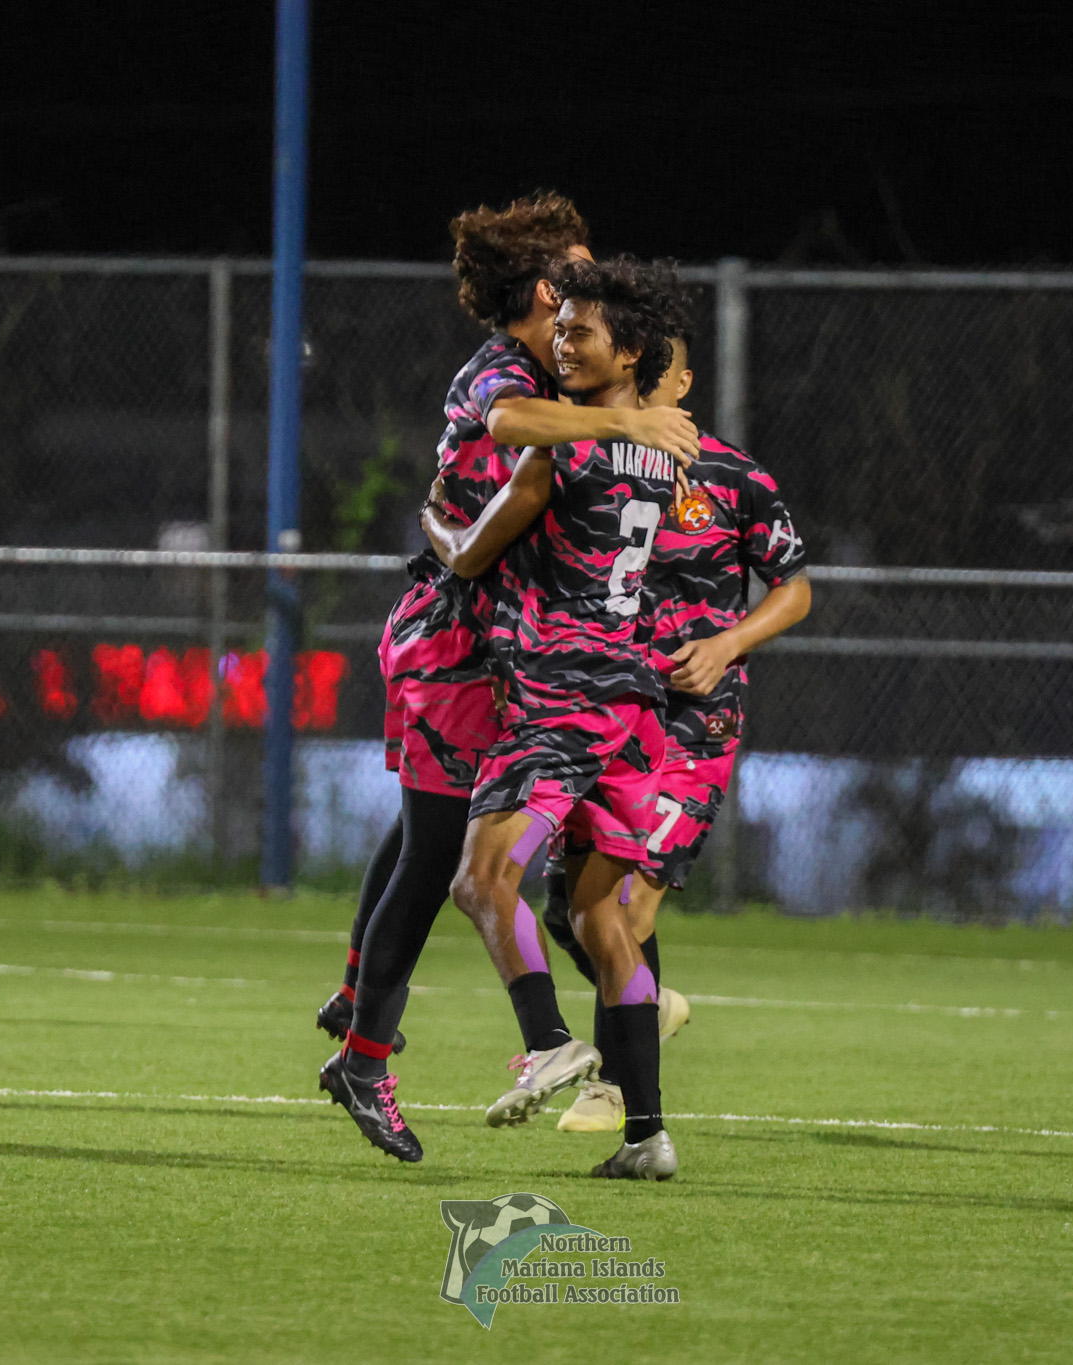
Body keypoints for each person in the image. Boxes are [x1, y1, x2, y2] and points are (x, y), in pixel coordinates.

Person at [318, 197, 699, 1164]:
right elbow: (502, 446)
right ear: (542, 289)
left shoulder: (561, 374)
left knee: (457, 840)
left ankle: (620, 1085)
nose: (588, 279)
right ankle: (377, 1049)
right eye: (575, 269)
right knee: (447, 846)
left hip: (529, 654)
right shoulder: (513, 377)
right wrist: (634, 425)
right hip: (460, 645)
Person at [423, 255, 690, 1180]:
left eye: (582, 332)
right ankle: (647, 1133)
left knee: (480, 876)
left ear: (630, 349)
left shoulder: (561, 443)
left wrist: (439, 532)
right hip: (634, 703)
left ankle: (548, 1041)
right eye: (560, 327)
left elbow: (470, 551)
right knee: (598, 916)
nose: (563, 344)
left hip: (561, 698)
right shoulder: (662, 447)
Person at [543, 331, 812, 1133]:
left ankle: (616, 1089)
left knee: (625, 907)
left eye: (660, 367)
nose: (643, 379)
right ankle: (646, 1010)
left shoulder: (732, 476)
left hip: (697, 723)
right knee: (565, 907)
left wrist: (726, 644)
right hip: (606, 715)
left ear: (685, 381)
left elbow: (794, 589)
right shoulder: (585, 466)